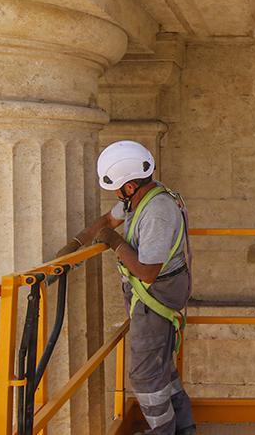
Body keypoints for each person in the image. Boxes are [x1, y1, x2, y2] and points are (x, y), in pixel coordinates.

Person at [56, 140, 196, 435]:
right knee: (161, 367)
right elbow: (109, 219)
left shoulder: (157, 210)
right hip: (161, 292)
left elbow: (147, 272)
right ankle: (184, 428)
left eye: (118, 190)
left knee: (145, 375)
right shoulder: (142, 197)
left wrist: (115, 242)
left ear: (130, 187)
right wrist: (74, 245)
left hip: (155, 295)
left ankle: (165, 432)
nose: (117, 197)